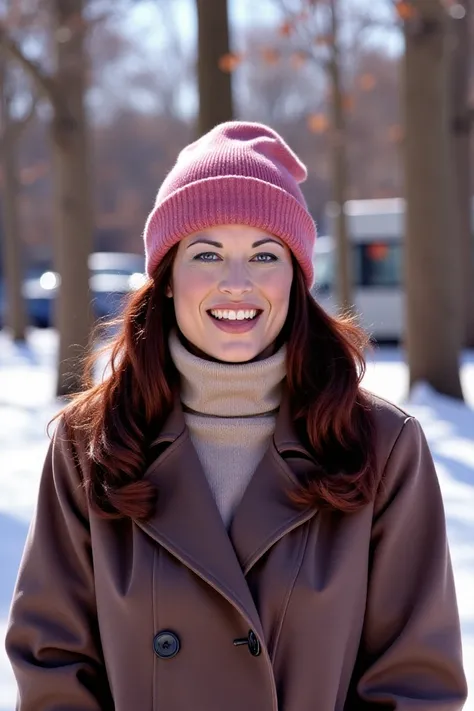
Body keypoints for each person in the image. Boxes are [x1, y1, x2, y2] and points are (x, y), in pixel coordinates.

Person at [5, 121, 467, 711]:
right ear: (167, 278)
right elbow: (53, 666)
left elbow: (415, 681)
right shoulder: (90, 443)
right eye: (208, 253)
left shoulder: (381, 445)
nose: (237, 283)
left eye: (264, 254)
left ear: (297, 278)